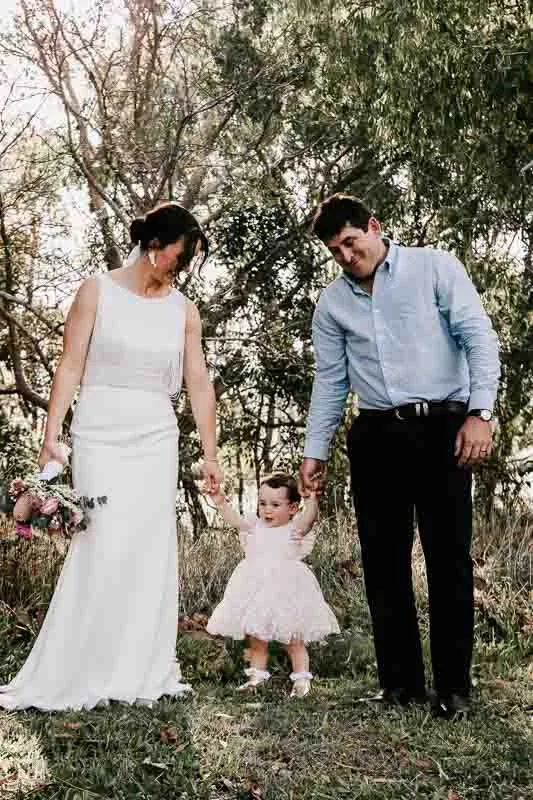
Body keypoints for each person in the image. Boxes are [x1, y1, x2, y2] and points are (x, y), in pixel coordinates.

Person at [0, 202, 222, 711]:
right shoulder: (96, 290)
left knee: (147, 547)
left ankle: (139, 667)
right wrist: (52, 433)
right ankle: (83, 665)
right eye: (179, 258)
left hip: (156, 435)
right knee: (101, 540)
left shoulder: (182, 310)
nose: (181, 269)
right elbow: (71, 363)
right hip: (100, 427)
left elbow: (200, 383)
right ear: (154, 248)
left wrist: (210, 454)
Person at [299, 194, 500, 717]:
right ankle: (401, 687)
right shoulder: (333, 304)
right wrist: (314, 449)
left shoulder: (434, 267)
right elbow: (330, 381)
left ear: (374, 227)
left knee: (448, 559)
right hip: (375, 437)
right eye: (335, 250)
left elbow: (479, 338)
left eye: (351, 241)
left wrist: (480, 413)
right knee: (383, 564)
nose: (346, 256)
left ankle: (454, 688)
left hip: (443, 431)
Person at [206, 473, 339, 697]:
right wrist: (219, 499)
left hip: (287, 590)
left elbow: (309, 519)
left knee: (294, 639)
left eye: (275, 504)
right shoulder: (253, 525)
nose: (267, 510)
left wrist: (313, 498)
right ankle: (256, 677)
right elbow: (232, 518)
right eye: (263, 503)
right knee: (257, 638)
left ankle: (301, 679)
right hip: (255, 591)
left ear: (293, 507)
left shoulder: (295, 529)